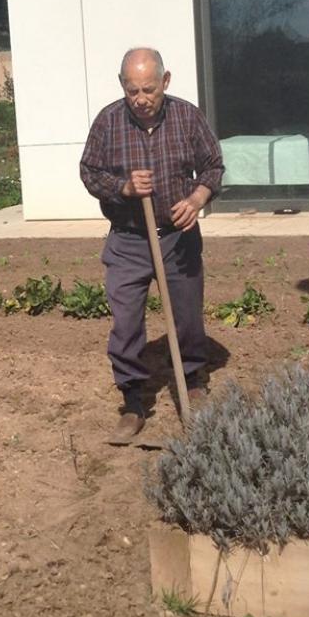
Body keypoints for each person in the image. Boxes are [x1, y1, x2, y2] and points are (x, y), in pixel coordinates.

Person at [80, 47, 224, 444]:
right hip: (128, 240)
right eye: (133, 91)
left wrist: (196, 199)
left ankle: (193, 383)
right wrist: (123, 187)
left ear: (165, 81)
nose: (141, 99)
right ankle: (133, 401)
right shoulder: (108, 122)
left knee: (187, 318)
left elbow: (213, 166)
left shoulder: (187, 117)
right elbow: (89, 172)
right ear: (122, 86)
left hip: (177, 238)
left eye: (149, 89)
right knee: (126, 323)